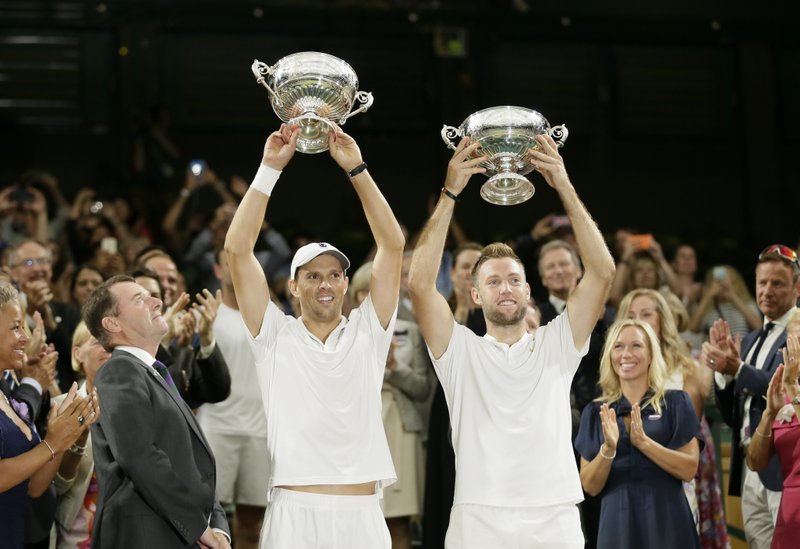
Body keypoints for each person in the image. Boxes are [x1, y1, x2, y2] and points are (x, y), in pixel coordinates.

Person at [407, 134, 615, 548]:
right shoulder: (460, 350)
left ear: (527, 291)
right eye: (494, 281)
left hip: (553, 517)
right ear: (475, 294)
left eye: (514, 280)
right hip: (477, 519)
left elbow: (602, 272)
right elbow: (418, 284)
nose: (505, 288)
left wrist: (564, 186)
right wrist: (450, 192)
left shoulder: (557, 344)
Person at [224, 123, 405, 548]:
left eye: (334, 275)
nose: (325, 284)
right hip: (294, 512)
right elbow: (237, 250)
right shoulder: (272, 334)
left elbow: (392, 245)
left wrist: (356, 168)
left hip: (362, 516)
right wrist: (269, 169)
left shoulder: (369, 330)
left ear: (346, 284)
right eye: (312, 276)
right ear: (293, 286)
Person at [82, 275, 230, 548]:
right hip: (145, 536)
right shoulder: (118, 371)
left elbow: (194, 464)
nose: (157, 301)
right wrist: (199, 526)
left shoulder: (154, 374)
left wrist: (218, 525)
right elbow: (140, 456)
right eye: (140, 299)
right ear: (112, 323)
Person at [702, 244, 800, 549]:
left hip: (786, 468)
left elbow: (783, 388)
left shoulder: (798, 332)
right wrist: (724, 373)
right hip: (749, 466)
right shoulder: (754, 337)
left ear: (798, 287)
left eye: (778, 283)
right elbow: (734, 413)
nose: (767, 290)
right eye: (762, 283)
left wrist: (738, 367)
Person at [574, 319, 702, 548]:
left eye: (636, 346)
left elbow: (689, 468)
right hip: (617, 526)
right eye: (618, 346)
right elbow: (590, 486)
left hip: (668, 523)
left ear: (651, 354)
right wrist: (608, 450)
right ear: (609, 355)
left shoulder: (675, 403)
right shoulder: (595, 412)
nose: (626, 354)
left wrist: (644, 443)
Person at [618, 288, 729, 548]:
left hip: (678, 470)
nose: (639, 320)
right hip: (632, 473)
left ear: (662, 320)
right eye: (631, 315)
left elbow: (688, 424)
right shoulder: (617, 367)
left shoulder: (689, 367)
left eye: (647, 314)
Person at [0, 283, 98, 548]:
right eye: (16, 327)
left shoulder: (6, 394)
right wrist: (51, 444)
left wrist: (63, 436)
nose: (24, 337)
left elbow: (35, 486)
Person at [350, 261, 431, 549]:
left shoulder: (410, 331)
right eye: (364, 292)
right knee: (358, 520)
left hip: (400, 428)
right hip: (358, 429)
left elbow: (424, 389)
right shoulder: (343, 332)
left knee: (397, 521)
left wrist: (395, 368)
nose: (370, 297)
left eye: (377, 290)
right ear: (355, 295)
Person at [196, 248, 271, 549]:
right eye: (230, 263)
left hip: (260, 430)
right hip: (217, 428)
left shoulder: (270, 314)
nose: (238, 269)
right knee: (205, 521)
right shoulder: (206, 315)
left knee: (253, 524)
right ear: (217, 270)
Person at [52, 322, 110, 548]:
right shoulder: (60, 407)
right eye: (99, 341)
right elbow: (56, 486)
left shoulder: (138, 406)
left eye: (113, 344)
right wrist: (78, 441)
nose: (108, 349)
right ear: (78, 353)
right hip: (76, 536)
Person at [747, 332, 800, 549]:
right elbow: (755, 462)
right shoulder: (783, 391)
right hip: (789, 514)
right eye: (791, 343)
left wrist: (793, 388)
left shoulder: (790, 389)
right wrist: (769, 413)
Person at [688, 264, 761, 340]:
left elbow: (759, 327)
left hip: (742, 349)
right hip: (717, 350)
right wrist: (708, 296)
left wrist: (733, 297)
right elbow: (692, 328)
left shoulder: (746, 304)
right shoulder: (707, 309)